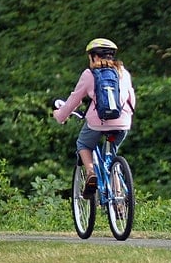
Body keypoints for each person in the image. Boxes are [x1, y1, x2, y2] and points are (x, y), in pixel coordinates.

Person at [53, 38, 137, 197]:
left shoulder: (89, 74)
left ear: (94, 57)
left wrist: (60, 115)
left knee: (83, 143)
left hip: (98, 122)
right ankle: (118, 199)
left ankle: (91, 172)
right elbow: (131, 100)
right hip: (123, 122)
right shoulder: (123, 73)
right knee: (111, 158)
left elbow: (73, 101)